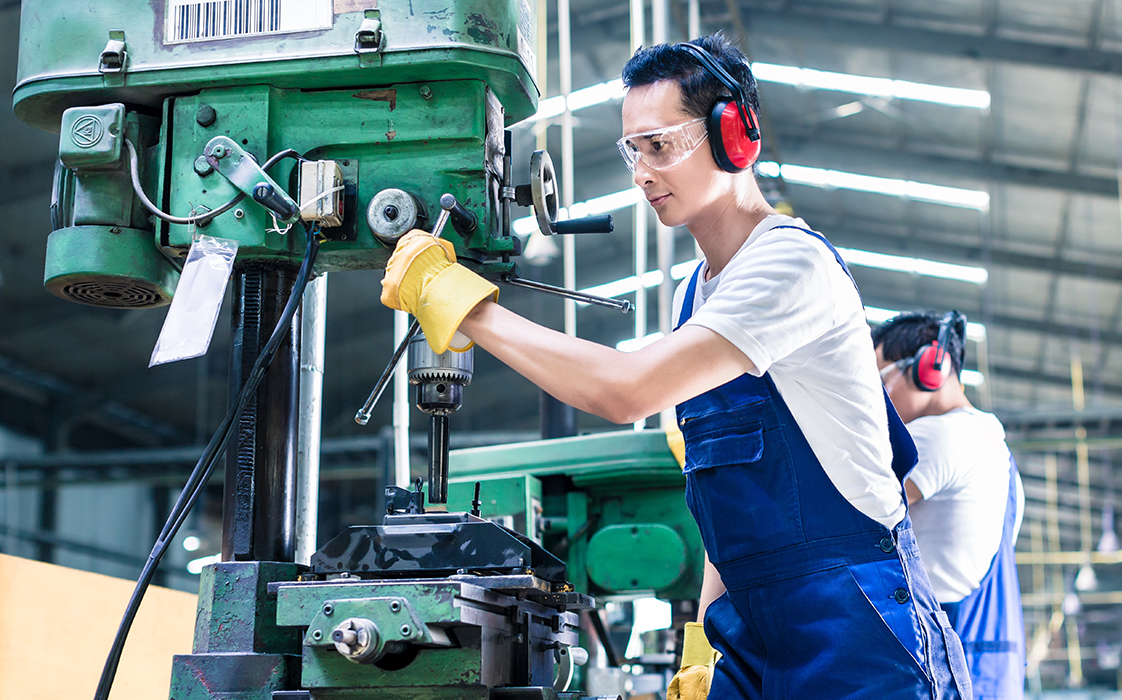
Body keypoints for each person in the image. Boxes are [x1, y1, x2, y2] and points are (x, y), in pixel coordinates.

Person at [380, 34, 970, 700]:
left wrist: (458, 303)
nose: (641, 174)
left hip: (858, 627)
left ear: (734, 136)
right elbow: (727, 503)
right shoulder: (698, 293)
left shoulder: (789, 265)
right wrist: (702, 637)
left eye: (659, 146)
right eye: (633, 151)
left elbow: (624, 390)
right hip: (750, 631)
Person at [873, 311, 1026, 700]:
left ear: (931, 367)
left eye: (881, 379)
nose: (875, 397)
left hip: (939, 663)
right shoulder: (996, 449)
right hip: (987, 665)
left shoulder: (936, 434)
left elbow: (854, 514)